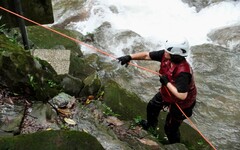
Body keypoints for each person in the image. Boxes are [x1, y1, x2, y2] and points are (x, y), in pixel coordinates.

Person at [117, 38, 197, 144]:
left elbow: (182, 95)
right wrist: (129, 57)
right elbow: (147, 55)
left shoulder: (183, 72)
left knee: (170, 129)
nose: (165, 52)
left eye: (167, 50)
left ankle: (174, 145)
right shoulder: (165, 56)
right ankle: (151, 126)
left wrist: (167, 82)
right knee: (152, 106)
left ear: (175, 54)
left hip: (182, 103)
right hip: (167, 92)